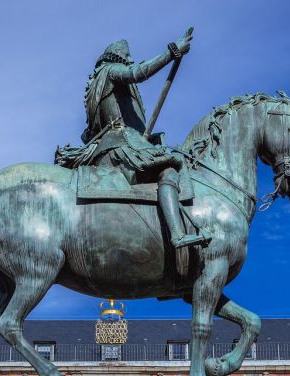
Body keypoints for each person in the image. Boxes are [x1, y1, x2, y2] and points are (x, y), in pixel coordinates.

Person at [57, 29, 210, 249]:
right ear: (119, 58)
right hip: (120, 146)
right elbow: (138, 73)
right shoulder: (110, 72)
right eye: (128, 58)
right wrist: (172, 52)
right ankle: (177, 235)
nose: (131, 61)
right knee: (168, 169)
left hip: (116, 145)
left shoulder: (98, 84)